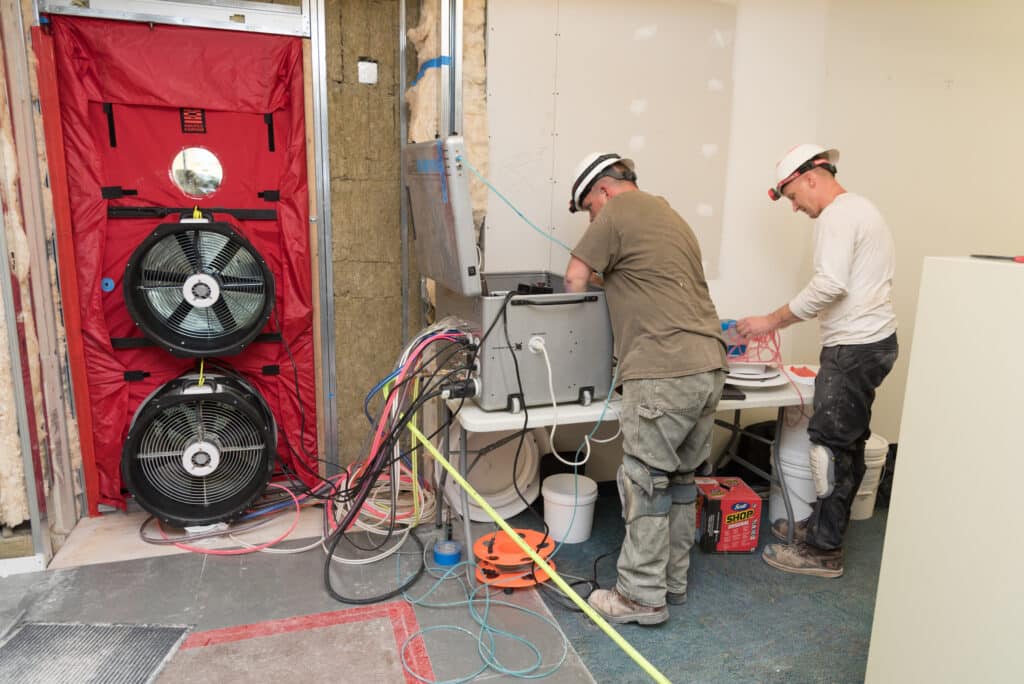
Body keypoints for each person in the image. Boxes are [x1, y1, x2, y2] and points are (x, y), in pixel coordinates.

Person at [563, 152, 728, 625]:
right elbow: (640, 278)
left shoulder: (616, 211)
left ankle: (639, 597)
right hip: (708, 366)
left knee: (642, 481)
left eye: (589, 209)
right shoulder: (668, 215)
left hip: (662, 371)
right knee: (678, 480)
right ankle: (671, 583)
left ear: (604, 191)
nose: (594, 217)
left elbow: (575, 280)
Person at [737, 143, 898, 578]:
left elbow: (830, 285)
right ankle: (821, 528)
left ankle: (823, 551)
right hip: (873, 343)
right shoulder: (862, 209)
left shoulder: (837, 216)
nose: (794, 208)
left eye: (792, 197)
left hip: (853, 347)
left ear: (812, 177)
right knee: (847, 444)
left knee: (829, 450)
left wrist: (771, 321)